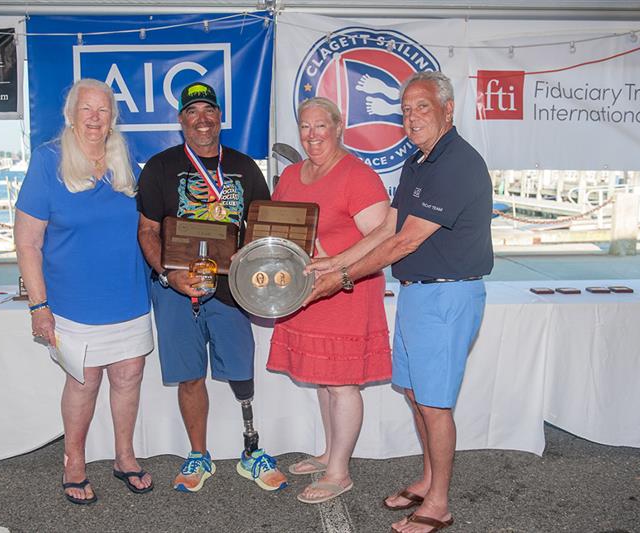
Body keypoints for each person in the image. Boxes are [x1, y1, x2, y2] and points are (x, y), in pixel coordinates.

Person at [304, 71, 493, 533]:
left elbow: (406, 241)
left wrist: (342, 276)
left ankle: (440, 504)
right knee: (414, 394)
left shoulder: (458, 163)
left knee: (434, 405)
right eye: (406, 110)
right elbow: (386, 227)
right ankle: (429, 479)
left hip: (447, 294)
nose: (412, 117)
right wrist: (332, 266)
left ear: (448, 109)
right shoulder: (418, 161)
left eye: (422, 107)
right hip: (417, 295)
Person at [136, 81, 287, 493]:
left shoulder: (244, 167)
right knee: (189, 376)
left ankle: (251, 450)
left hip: (230, 290)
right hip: (175, 289)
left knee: (241, 371)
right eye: (192, 112)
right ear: (181, 120)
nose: (201, 119)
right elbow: (147, 230)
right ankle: (198, 455)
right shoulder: (160, 168)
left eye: (209, 110)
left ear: (220, 117)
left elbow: (262, 231)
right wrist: (170, 276)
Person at [15, 78, 154, 506]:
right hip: (74, 302)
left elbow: (151, 222)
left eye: (104, 110)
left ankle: (124, 456)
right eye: (86, 109)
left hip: (129, 296)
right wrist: (40, 306)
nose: (95, 118)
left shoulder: (126, 158)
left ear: (113, 117)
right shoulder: (48, 160)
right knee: (84, 380)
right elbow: (26, 242)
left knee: (129, 377)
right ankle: (74, 461)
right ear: (70, 115)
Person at [266, 97, 391, 504]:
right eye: (305, 126)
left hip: (347, 290)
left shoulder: (358, 175)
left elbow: (384, 235)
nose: (312, 134)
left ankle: (339, 472)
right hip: (308, 291)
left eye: (321, 126)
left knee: (341, 386)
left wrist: (337, 265)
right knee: (324, 378)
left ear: (338, 127)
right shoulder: (289, 175)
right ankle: (328, 453)